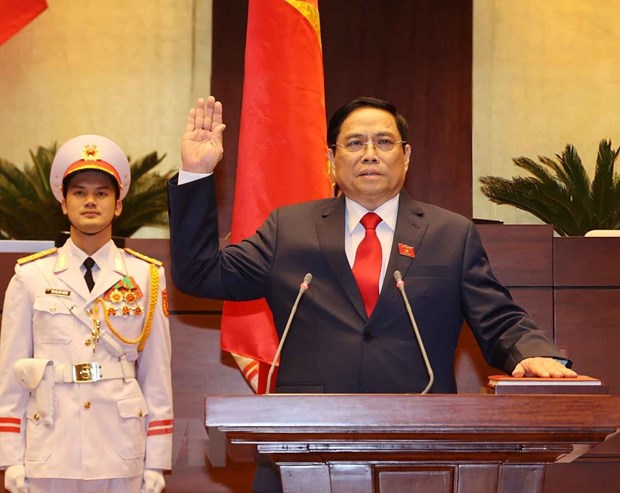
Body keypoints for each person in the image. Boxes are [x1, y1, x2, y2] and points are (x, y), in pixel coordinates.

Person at [167, 96, 577, 492]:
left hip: (423, 442)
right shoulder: (288, 229)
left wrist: (533, 352)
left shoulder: (450, 234)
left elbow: (497, 317)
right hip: (305, 445)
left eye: (383, 142)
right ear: (331, 159)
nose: (369, 154)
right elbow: (201, 274)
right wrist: (196, 175)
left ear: (406, 155)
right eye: (354, 143)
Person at [0, 135, 173, 493]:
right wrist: (10, 458)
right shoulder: (31, 276)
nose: (90, 201)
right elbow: (11, 375)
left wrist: (156, 460)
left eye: (102, 193)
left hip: (121, 448)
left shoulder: (146, 276)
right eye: (79, 192)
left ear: (118, 204)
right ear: (63, 203)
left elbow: (156, 372)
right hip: (50, 448)